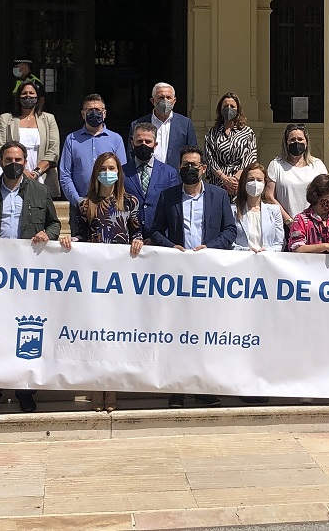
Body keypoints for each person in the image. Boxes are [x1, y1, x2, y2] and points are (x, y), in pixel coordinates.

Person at [0, 141, 61, 414]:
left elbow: (54, 223)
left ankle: (25, 390)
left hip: (27, 276)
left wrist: (48, 234)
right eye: (8, 159)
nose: (13, 164)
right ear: (0, 162)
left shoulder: (40, 191)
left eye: (18, 159)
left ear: (25, 161)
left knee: (25, 334)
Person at [148, 146, 237, 408]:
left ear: (203, 169)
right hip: (176, 276)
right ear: (179, 167)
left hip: (208, 276)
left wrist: (210, 249)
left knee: (204, 334)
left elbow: (230, 230)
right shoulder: (168, 197)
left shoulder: (219, 197)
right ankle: (177, 389)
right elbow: (155, 230)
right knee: (177, 333)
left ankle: (203, 388)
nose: (189, 169)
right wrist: (169, 247)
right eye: (185, 164)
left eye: (194, 165)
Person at [60, 151, 142, 413]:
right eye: (104, 168)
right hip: (95, 281)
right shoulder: (84, 205)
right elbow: (81, 236)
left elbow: (138, 232)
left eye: (113, 167)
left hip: (121, 282)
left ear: (119, 172)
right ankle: (97, 386)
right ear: (96, 172)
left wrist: (139, 241)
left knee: (116, 334)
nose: (109, 172)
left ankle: (113, 387)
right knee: (96, 333)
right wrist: (70, 241)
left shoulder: (130, 202)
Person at [60, 93, 127, 227]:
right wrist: (78, 201)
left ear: (105, 113)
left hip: (109, 206)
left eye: (98, 110)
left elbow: (121, 173)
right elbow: (65, 175)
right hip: (80, 205)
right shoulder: (71, 139)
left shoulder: (116, 139)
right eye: (90, 110)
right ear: (83, 114)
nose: (94, 113)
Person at [0, 79, 60, 192]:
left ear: (38, 97)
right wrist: (21, 170)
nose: (28, 96)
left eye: (31, 93)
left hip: (41, 177)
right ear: (19, 97)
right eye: (24, 93)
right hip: (13, 176)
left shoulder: (48, 119)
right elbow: (0, 147)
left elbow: (53, 149)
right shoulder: (6, 119)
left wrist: (36, 172)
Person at [265, 123, 328, 233]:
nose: (296, 142)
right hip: (285, 225)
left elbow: (326, 194)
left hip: (314, 225)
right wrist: (289, 221)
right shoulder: (276, 165)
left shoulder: (318, 165)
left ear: (306, 142)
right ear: (286, 143)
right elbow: (269, 196)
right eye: (292, 139)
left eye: (300, 139)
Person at [122, 122, 180, 238]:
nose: (143, 145)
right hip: (129, 238)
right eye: (139, 141)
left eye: (148, 141)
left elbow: (174, 209)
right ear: (132, 143)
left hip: (160, 239)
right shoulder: (122, 172)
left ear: (155, 144)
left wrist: (160, 238)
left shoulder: (169, 173)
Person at [128, 82, 199, 170]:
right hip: (146, 175)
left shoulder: (185, 123)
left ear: (174, 100)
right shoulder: (137, 124)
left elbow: (193, 152)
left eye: (168, 97)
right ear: (153, 101)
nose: (165, 101)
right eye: (161, 98)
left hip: (176, 177)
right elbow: (131, 154)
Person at [204, 92, 257, 198]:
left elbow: (250, 157)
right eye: (225, 106)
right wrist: (225, 179)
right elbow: (210, 159)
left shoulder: (247, 132)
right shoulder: (212, 133)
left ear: (238, 110)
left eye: (232, 106)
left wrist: (235, 179)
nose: (229, 108)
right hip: (218, 183)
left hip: (239, 184)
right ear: (220, 109)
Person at [232, 163, 285, 251]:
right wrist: (245, 251)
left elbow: (279, 242)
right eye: (251, 179)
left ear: (265, 183)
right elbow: (230, 242)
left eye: (259, 180)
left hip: (266, 259)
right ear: (244, 182)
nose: (255, 183)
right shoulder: (233, 210)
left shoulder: (274, 210)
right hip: (242, 260)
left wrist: (266, 251)